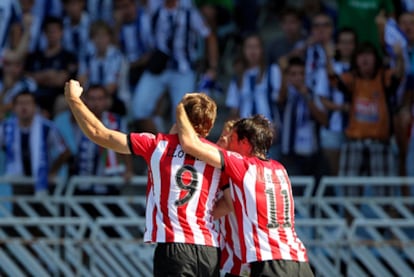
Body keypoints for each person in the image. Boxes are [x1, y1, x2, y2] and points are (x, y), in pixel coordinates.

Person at [64, 80, 225, 276]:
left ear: (179, 117)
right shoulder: (220, 156)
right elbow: (232, 201)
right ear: (208, 128)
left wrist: (73, 99)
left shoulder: (157, 145)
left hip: (175, 247)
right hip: (210, 249)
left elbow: (100, 134)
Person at [176, 95, 313, 276]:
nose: (226, 144)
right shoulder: (280, 169)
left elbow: (189, 144)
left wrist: (181, 109)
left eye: (230, 138)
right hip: (299, 261)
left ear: (245, 143)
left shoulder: (242, 165)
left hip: (270, 262)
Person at [131, 0, 218, 134]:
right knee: (138, 108)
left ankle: (177, 150)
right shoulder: (154, 8)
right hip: (158, 68)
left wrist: (212, 67)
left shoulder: (189, 11)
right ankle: (160, 146)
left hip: (183, 70)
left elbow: (208, 35)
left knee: (184, 115)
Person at [0, 91, 70, 195]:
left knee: (44, 209)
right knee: (18, 210)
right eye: (20, 103)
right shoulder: (5, 128)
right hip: (17, 181)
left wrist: (53, 171)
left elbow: (65, 152)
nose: (24, 107)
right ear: (14, 108)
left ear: (35, 107)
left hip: (43, 179)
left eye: (28, 103)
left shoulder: (47, 127)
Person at [215, 120, 251, 277]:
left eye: (227, 138)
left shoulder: (241, 174)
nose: (221, 141)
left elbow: (221, 209)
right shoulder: (220, 173)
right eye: (221, 136)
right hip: (232, 259)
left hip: (243, 261)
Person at [25, 16, 78, 118]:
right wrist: (49, 74)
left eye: (55, 31)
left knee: (63, 102)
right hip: (36, 96)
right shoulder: (35, 56)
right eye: (49, 31)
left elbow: (60, 80)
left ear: (61, 32)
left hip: (57, 96)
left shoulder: (68, 57)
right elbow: (27, 77)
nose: (52, 35)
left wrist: (39, 77)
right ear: (44, 33)